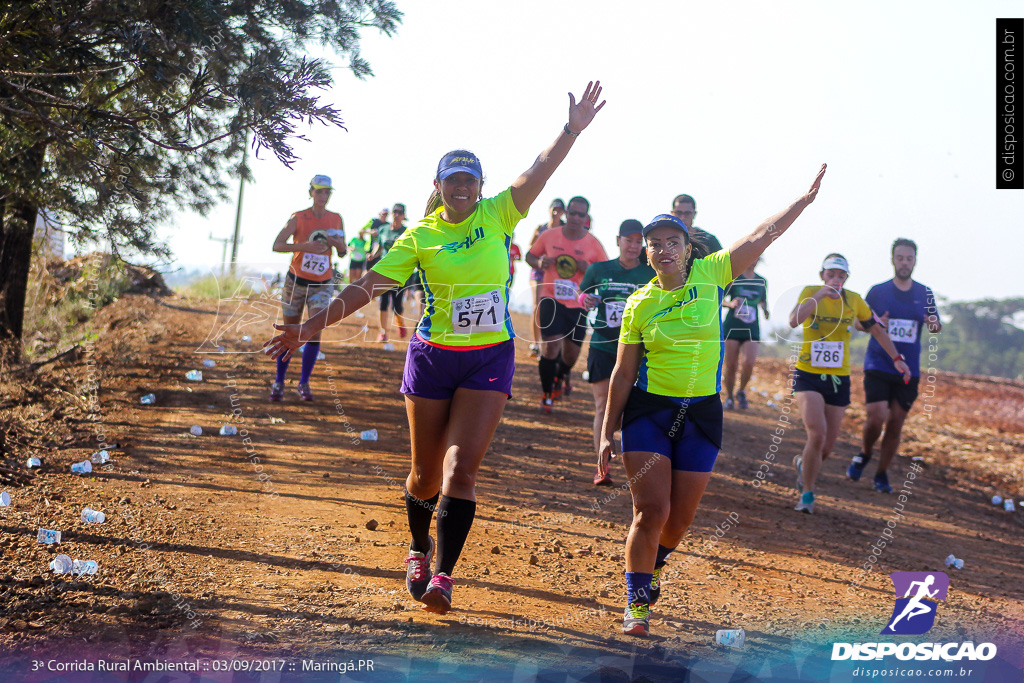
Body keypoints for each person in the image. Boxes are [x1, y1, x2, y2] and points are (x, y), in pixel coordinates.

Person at [265, 81, 606, 615]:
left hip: (489, 356)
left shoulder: (500, 212)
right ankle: (419, 547)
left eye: (471, 180)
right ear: (439, 185)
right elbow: (367, 286)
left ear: (480, 186)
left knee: (459, 471)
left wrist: (571, 129)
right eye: (454, 181)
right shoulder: (419, 236)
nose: (463, 188)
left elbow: (541, 168)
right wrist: (310, 327)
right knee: (424, 475)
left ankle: (444, 575)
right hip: (432, 357)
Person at [599, 165, 827, 637]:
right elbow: (623, 373)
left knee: (678, 522)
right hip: (649, 412)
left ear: (688, 248)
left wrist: (802, 202)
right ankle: (636, 604)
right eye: (655, 243)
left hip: (702, 413)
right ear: (647, 250)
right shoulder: (640, 303)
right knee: (651, 511)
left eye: (672, 242)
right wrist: (606, 433)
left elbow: (764, 234)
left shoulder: (713, 272)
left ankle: (655, 565)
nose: (663, 249)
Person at [788, 253, 911, 514]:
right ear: (822, 274)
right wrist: (820, 295)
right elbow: (793, 321)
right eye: (831, 274)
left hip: (838, 378)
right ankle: (807, 495)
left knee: (827, 447)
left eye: (840, 275)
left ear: (846, 278)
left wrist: (897, 359)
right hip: (808, 374)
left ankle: (803, 465)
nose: (835, 279)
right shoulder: (811, 292)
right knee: (817, 433)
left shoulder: (854, 300)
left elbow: (876, 329)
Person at [846, 238, 941, 492]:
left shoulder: (925, 293)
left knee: (896, 422)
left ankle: (881, 474)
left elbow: (935, 325)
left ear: (915, 261)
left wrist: (933, 323)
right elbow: (857, 324)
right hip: (878, 363)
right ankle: (865, 453)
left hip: (910, 368)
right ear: (892, 259)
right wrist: (877, 321)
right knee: (876, 417)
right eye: (900, 258)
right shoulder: (878, 291)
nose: (904, 263)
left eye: (909, 258)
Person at [578, 219, 654, 486]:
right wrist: (584, 300)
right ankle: (602, 467)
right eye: (628, 240)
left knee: (627, 411)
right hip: (603, 345)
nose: (633, 246)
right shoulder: (599, 269)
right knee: (602, 405)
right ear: (618, 240)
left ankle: (637, 466)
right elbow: (583, 295)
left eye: (638, 241)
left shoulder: (649, 274)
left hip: (637, 351)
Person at [525, 195, 608, 412]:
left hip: (578, 304)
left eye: (581, 214)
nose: (575, 217)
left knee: (570, 355)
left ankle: (560, 375)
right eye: (572, 213)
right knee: (551, 346)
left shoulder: (593, 244)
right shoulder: (549, 235)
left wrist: (587, 268)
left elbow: (605, 272)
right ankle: (546, 394)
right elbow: (530, 256)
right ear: (566, 213)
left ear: (586, 217)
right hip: (551, 297)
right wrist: (540, 262)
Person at [269, 174, 346, 402]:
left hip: (322, 283)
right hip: (296, 282)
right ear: (311, 192)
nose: (323, 196)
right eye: (319, 191)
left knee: (313, 330)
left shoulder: (336, 219)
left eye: (327, 192)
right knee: (289, 330)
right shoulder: (299, 217)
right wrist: (305, 246)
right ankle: (279, 382)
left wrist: (336, 244)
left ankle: (304, 383)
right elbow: (277, 245)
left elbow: (343, 251)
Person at [721, 260, 769, 409]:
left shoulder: (762, 281)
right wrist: (730, 304)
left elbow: (763, 301)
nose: (752, 261)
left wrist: (766, 310)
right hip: (732, 326)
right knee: (731, 365)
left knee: (749, 363)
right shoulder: (734, 279)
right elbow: (719, 298)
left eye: (756, 258)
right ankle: (729, 396)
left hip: (752, 327)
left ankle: (741, 391)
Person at [527, 199, 566, 355]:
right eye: (554, 209)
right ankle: (536, 344)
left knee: (555, 308)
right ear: (549, 209)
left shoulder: (565, 230)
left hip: (557, 274)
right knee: (537, 306)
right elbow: (530, 250)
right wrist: (539, 260)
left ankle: (552, 344)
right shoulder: (540, 228)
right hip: (538, 271)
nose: (556, 212)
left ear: (563, 212)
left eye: (559, 210)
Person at [370, 203, 410, 341]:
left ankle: (400, 323)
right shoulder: (383, 229)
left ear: (404, 216)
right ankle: (382, 332)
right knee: (383, 302)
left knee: (396, 306)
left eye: (400, 212)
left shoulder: (407, 231)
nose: (396, 214)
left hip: (399, 273)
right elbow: (379, 246)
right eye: (395, 212)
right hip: (383, 271)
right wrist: (373, 255)